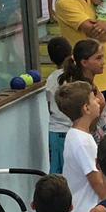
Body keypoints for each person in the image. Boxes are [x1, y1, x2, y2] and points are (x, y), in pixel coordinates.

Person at [58, 79, 106, 212]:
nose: (98, 100)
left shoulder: (76, 135)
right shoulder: (83, 142)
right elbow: (97, 182)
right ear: (86, 108)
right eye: (93, 98)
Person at [44, 34, 73, 173]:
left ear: (51, 59)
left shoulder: (51, 79)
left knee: (56, 173)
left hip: (56, 130)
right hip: (73, 129)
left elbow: (49, 106)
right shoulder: (76, 76)